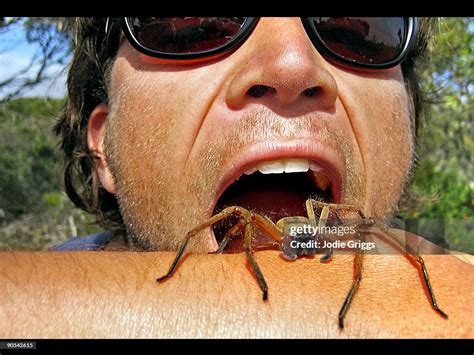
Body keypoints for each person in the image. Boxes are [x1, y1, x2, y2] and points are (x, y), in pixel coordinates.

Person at [1, 17, 472, 338]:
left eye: (358, 28)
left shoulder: (414, 256)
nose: (293, 67)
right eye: (195, 24)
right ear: (101, 149)